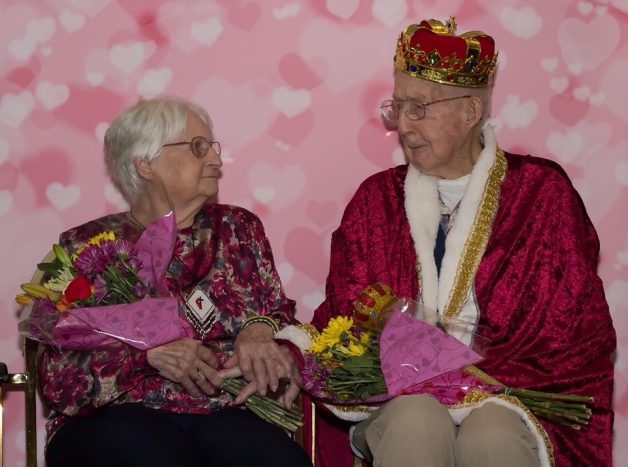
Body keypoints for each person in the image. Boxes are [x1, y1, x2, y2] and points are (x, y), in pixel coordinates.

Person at [277, 16, 616, 467]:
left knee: (491, 434)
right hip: (400, 401)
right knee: (418, 420)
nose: (404, 125)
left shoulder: (542, 194)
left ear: (470, 113)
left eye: (420, 107)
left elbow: (575, 325)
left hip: (517, 397)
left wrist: (481, 377)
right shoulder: (374, 200)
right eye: (397, 107)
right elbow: (346, 311)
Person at [39, 96, 312, 467]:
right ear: (145, 163)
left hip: (224, 409)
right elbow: (57, 376)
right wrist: (145, 358)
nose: (216, 160)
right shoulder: (85, 246)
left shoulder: (238, 229)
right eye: (198, 148)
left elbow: (281, 316)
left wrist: (262, 330)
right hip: (118, 414)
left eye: (212, 147)